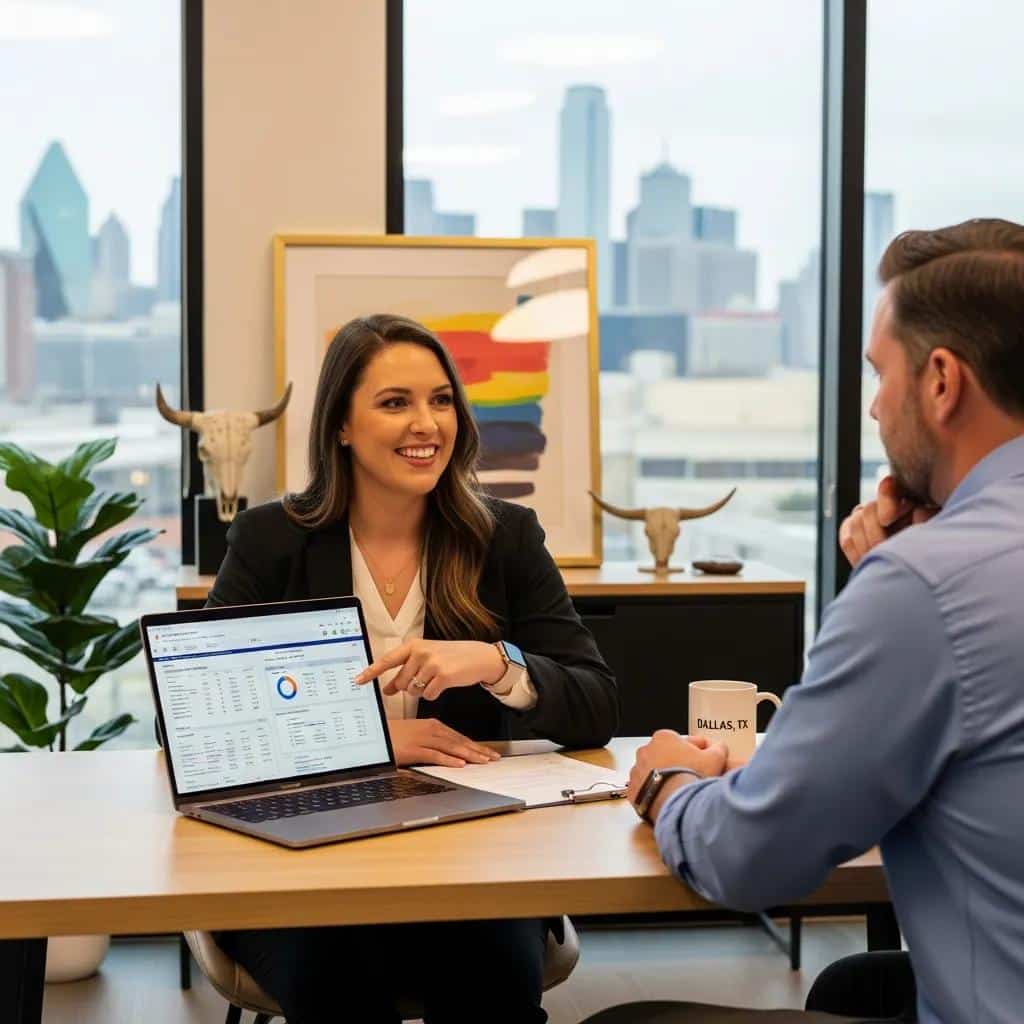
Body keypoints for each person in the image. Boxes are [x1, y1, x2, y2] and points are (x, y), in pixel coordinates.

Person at [586, 219, 1024, 1024]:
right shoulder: (940, 572)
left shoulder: (927, 584)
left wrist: (667, 781)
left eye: (878, 374)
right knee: (854, 986)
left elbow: (753, 859)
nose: (873, 406)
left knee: (628, 1022)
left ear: (941, 381)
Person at [208, 313, 618, 1024]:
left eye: (441, 399)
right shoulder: (271, 540)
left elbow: (596, 704)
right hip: (303, 864)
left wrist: (496, 663)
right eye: (395, 402)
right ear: (340, 424)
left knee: (490, 986)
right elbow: (193, 724)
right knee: (340, 985)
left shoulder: (505, 538)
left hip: (472, 863)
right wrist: (365, 743)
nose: (426, 423)